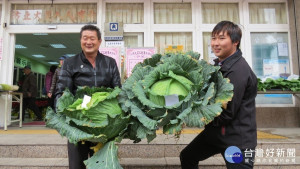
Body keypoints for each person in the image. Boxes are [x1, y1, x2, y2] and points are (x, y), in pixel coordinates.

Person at [180, 21, 257, 169]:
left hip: (237, 140)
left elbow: (227, 113)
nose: (215, 43)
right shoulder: (220, 65)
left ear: (235, 42)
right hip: (218, 135)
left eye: (221, 38)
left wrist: (196, 118)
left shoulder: (238, 71)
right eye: (213, 38)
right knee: (188, 156)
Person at [54, 24, 121, 169]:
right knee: (77, 165)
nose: (88, 42)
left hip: (104, 126)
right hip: (78, 125)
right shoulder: (70, 63)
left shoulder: (110, 63)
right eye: (85, 38)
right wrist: (64, 118)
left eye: (92, 38)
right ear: (80, 40)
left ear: (99, 41)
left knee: (103, 166)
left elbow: (118, 91)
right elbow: (61, 92)